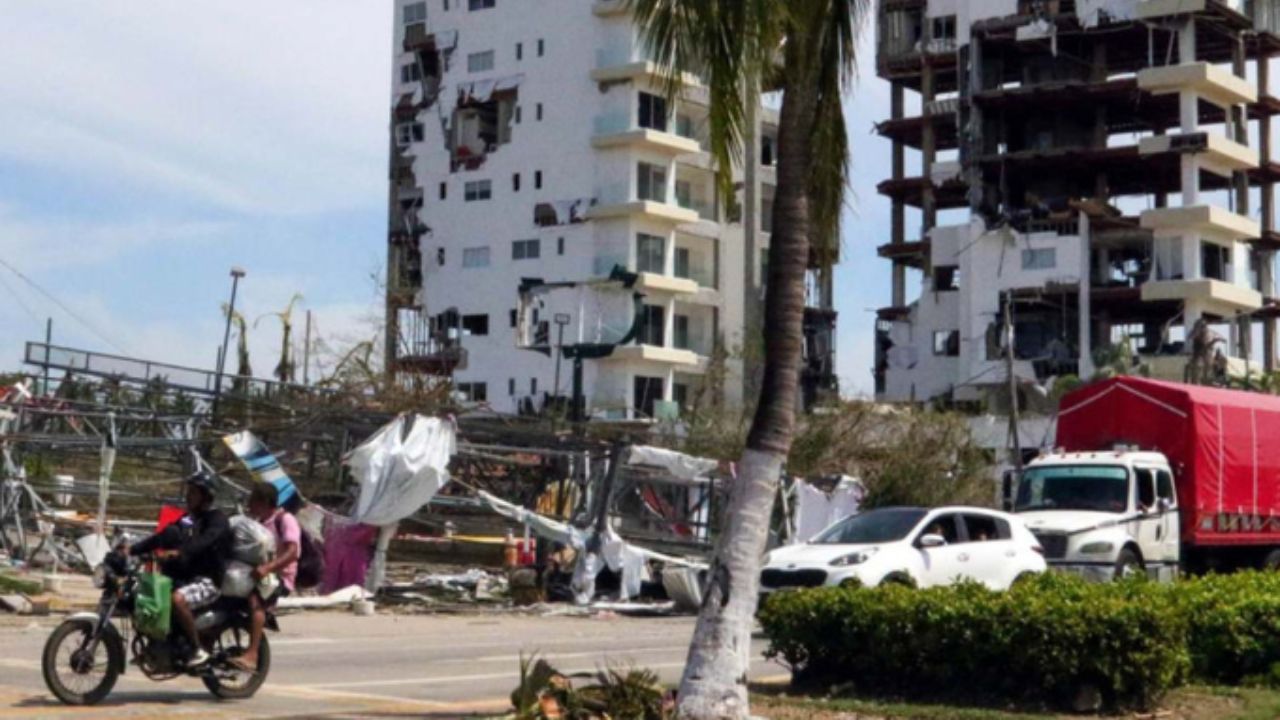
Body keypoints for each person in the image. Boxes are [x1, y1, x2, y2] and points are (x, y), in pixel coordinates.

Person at [129, 470, 231, 667]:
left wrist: (178, 553)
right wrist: (132, 550)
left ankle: (196, 648)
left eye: (193, 492)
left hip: (208, 580)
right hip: (186, 577)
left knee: (177, 599)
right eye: (189, 491)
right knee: (148, 597)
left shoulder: (217, 519)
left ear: (206, 496)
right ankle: (157, 645)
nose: (188, 496)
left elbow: (204, 541)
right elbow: (162, 537)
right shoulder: (188, 519)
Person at [235, 482, 299, 671]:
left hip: (279, 577)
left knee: (256, 600)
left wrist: (268, 568)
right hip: (255, 575)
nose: (249, 505)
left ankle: (252, 654)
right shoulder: (257, 523)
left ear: (264, 501)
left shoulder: (285, 520)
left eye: (253, 500)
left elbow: (293, 552)